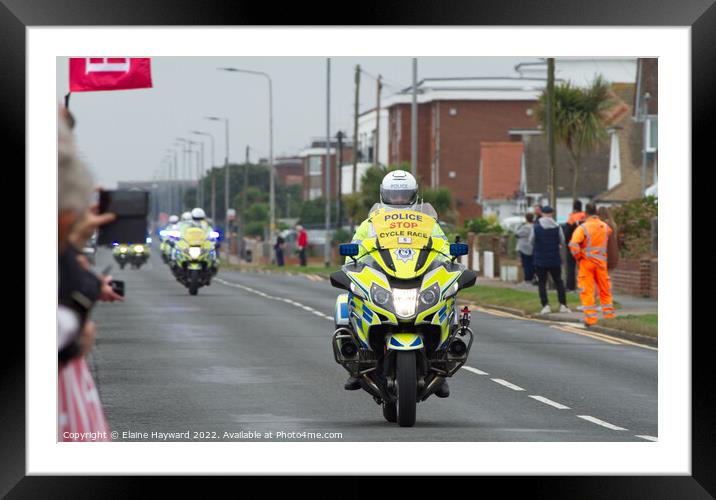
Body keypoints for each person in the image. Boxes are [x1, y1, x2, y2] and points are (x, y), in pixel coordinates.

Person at [342, 170, 450, 397]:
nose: (399, 201)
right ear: (384, 195)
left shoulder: (428, 223)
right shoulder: (370, 224)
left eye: (403, 195)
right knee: (346, 302)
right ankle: (357, 363)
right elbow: (353, 253)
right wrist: (354, 264)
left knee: (448, 299)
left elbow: (444, 249)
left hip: (417, 276)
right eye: (394, 195)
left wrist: (449, 259)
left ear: (413, 196)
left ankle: (441, 364)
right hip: (383, 278)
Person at [569, 203, 615, 326]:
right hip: (601, 263)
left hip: (587, 263)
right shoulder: (605, 227)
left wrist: (579, 257)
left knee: (587, 291)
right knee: (605, 290)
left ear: (585, 213)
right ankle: (609, 317)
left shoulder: (582, 228)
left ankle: (591, 319)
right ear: (597, 213)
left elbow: (573, 245)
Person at [529, 205, 571, 315]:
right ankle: (563, 305)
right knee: (559, 282)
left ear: (542, 214)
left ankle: (546, 306)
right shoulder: (557, 227)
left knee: (542, 283)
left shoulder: (536, 227)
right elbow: (562, 241)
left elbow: (531, 241)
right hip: (554, 259)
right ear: (552, 214)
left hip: (540, 259)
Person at [564, 200, 586, 291]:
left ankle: (571, 286)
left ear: (574, 207)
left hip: (573, 245)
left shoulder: (572, 218)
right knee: (584, 266)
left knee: (571, 266)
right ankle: (584, 286)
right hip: (585, 245)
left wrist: (567, 243)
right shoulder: (586, 216)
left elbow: (567, 232)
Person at [515, 213, 535, 286]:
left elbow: (517, 234)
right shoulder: (534, 226)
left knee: (526, 264)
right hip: (532, 247)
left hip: (524, 248)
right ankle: (531, 278)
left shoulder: (525, 227)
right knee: (531, 264)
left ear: (526, 218)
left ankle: (527, 280)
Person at [598, 206, 620, 270]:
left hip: (605, 257)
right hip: (614, 257)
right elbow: (618, 242)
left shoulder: (603, 225)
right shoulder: (614, 225)